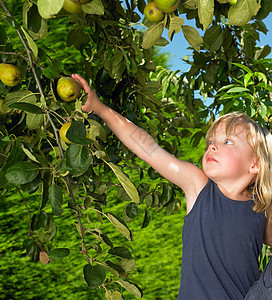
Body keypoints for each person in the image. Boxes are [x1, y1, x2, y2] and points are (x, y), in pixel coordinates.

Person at [71, 74, 272, 300]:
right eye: (211, 142)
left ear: (255, 164)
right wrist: (100, 108)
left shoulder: (260, 209)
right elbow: (147, 147)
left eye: (227, 142)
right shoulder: (199, 186)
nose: (213, 147)